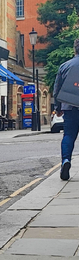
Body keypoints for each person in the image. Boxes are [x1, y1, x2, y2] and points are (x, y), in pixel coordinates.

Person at [53, 38, 79, 180]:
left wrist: (58, 107)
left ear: (75, 49)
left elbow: (57, 89)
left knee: (69, 135)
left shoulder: (64, 66)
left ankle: (66, 161)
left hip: (69, 106)